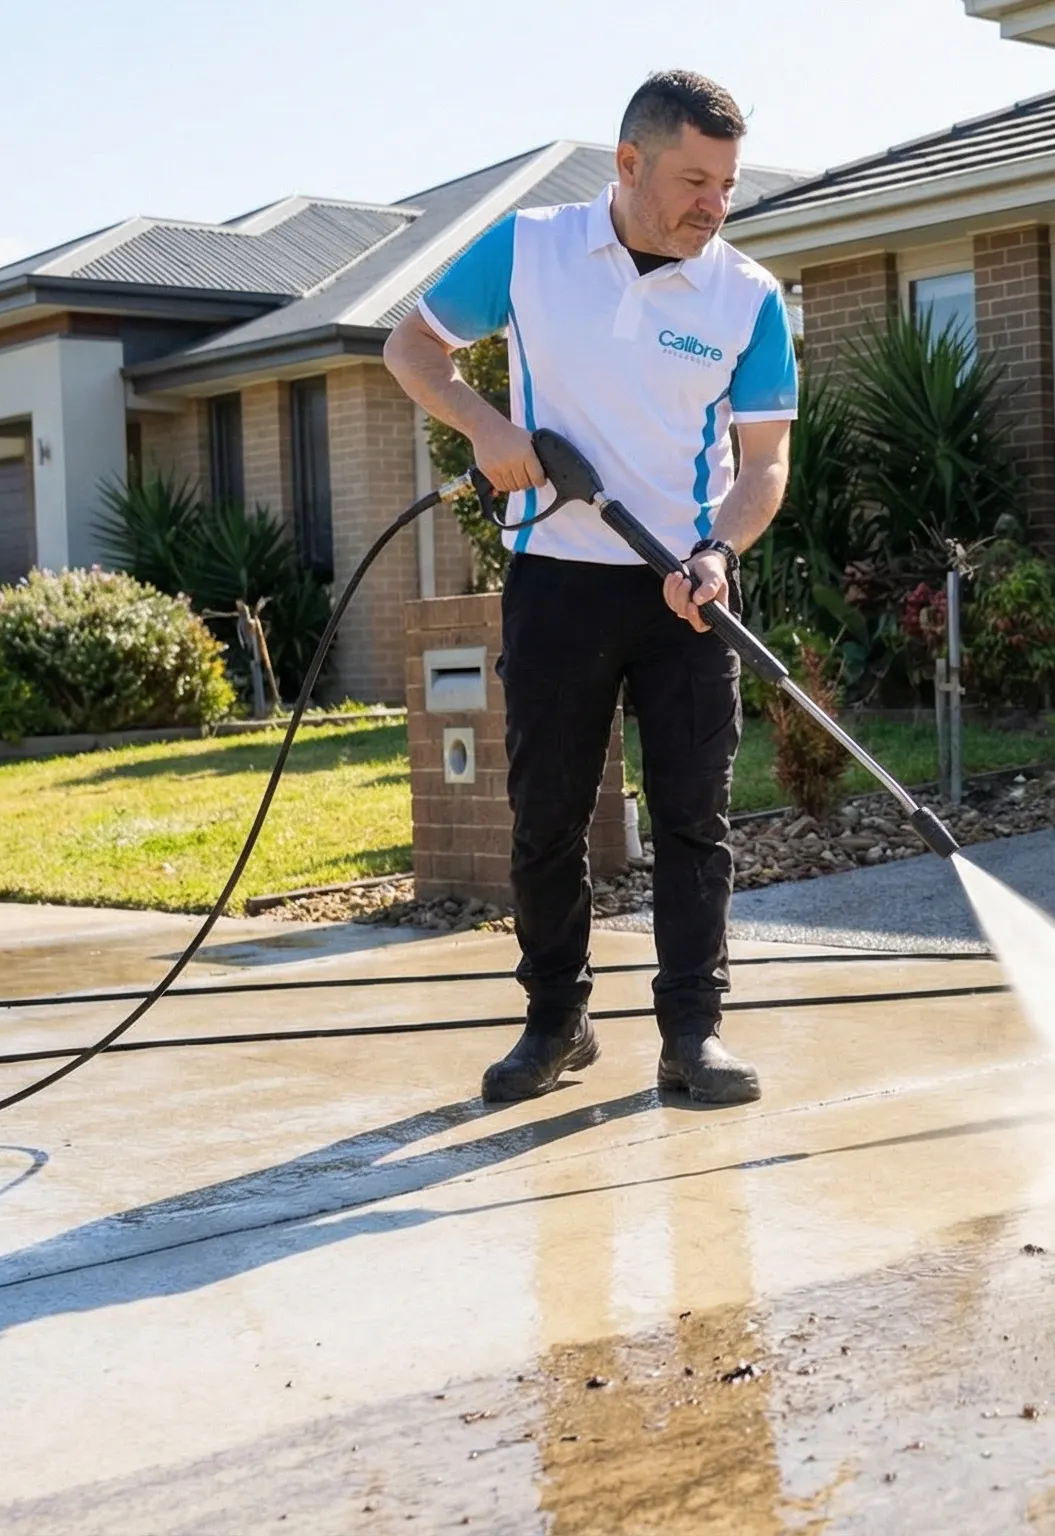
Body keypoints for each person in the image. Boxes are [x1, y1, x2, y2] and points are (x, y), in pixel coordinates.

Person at [383, 70, 793, 1107]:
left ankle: (692, 1035)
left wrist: (719, 554)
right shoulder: (531, 249)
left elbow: (765, 466)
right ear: (629, 163)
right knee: (548, 817)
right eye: (694, 180)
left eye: (728, 184)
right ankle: (556, 1023)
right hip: (557, 580)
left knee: (695, 820)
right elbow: (412, 346)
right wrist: (489, 429)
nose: (715, 204)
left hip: (685, 593)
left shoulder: (747, 296)